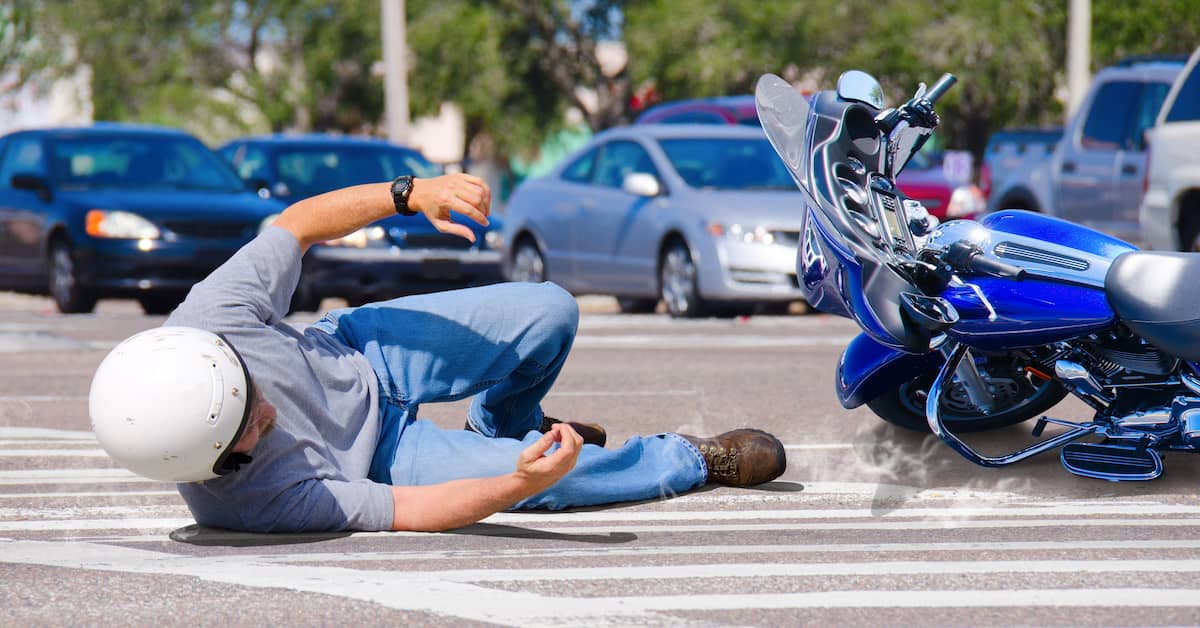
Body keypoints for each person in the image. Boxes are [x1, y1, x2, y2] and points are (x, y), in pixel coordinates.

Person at [88, 173, 787, 533]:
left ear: (219, 360)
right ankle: (693, 459)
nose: (266, 413)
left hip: (363, 353)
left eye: (249, 392)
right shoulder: (250, 505)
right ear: (216, 466)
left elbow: (295, 225)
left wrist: (411, 193)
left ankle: (506, 425)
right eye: (248, 435)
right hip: (384, 458)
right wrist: (514, 487)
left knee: (550, 310)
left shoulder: (207, 318)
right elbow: (411, 512)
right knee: (556, 483)